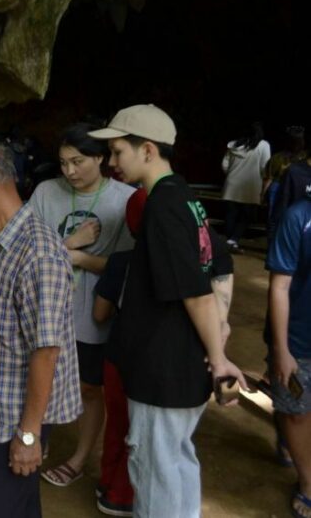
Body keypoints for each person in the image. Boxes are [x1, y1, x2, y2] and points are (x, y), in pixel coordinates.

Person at [88, 104, 247, 518]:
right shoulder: (186, 200)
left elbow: (195, 293)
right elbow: (216, 271)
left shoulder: (162, 205)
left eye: (118, 151)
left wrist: (219, 357)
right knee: (176, 463)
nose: (111, 162)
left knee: (157, 469)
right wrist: (216, 343)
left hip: (165, 368)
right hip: (178, 363)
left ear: (147, 151)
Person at [0, 141, 82, 518]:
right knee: (20, 504)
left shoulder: (37, 253)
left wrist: (28, 435)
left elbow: (47, 350)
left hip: (16, 420)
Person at [30, 122, 135, 490]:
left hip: (92, 314)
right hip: (46, 309)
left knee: (90, 390)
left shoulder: (124, 200)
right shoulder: (46, 192)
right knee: (39, 378)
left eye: (78, 161)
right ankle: (34, 440)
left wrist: (72, 257)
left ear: (101, 158)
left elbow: (123, 266)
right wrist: (71, 246)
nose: (69, 171)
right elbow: (27, 250)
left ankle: (78, 459)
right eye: (63, 163)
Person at [266, 190, 311, 518]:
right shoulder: (299, 216)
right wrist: (282, 349)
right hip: (298, 337)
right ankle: (308, 482)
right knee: (297, 411)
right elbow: (279, 286)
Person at [221, 121, 271, 252]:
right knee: (246, 216)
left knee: (231, 214)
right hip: (251, 187)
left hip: (231, 185)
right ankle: (233, 240)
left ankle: (229, 240)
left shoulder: (233, 145)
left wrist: (232, 174)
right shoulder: (263, 146)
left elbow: (224, 165)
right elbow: (265, 167)